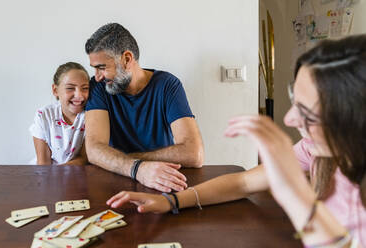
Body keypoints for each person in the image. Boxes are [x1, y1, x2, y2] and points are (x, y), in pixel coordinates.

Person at [106, 34, 366, 247]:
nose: (289, 119)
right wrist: (172, 201)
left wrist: (290, 189)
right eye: (294, 101)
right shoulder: (316, 149)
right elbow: (242, 182)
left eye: (307, 112)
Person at [84, 23, 204, 193]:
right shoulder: (99, 87)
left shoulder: (168, 85)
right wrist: (138, 169)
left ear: (126, 59)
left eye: (102, 68)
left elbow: (193, 154)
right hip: (114, 182)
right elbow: (94, 150)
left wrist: (127, 161)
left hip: (162, 181)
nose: (96, 77)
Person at [29, 62, 90, 165]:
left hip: (77, 174)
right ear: (55, 90)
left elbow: (84, 158)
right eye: (70, 88)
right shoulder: (44, 115)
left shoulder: (91, 115)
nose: (79, 95)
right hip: (48, 174)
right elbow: (43, 163)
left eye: (85, 88)